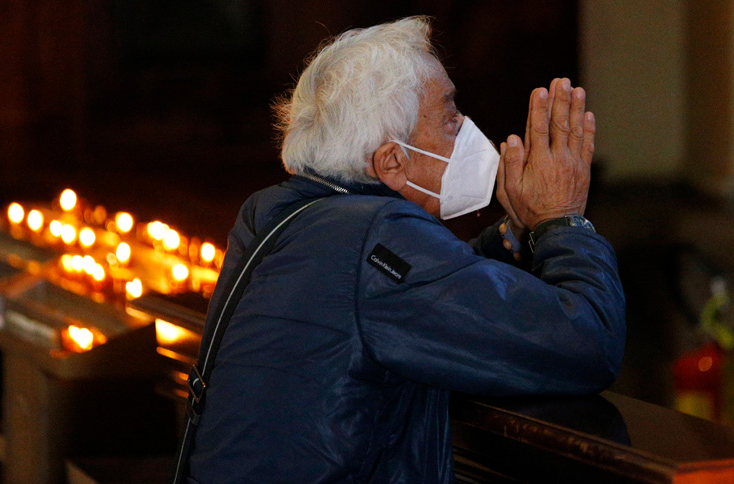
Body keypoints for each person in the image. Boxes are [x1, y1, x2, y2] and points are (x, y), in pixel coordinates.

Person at [182, 16, 625, 484]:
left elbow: (427, 292)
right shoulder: (377, 235)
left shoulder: (284, 213)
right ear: (393, 161)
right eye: (450, 118)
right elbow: (585, 342)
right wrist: (563, 218)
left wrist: (515, 234)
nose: (468, 130)